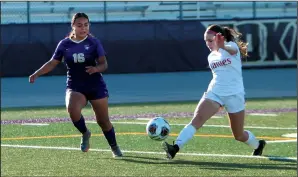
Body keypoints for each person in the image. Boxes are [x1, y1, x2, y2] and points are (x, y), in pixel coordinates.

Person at [162, 24, 266, 159]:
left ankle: (258, 145)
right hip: (215, 93)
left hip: (235, 95)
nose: (208, 44)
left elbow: (232, 51)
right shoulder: (211, 56)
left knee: (238, 135)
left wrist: (222, 46)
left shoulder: (231, 46)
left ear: (220, 37)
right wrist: (218, 47)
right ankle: (175, 148)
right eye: (206, 41)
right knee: (197, 119)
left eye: (210, 40)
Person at [29, 12, 123, 158]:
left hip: (95, 85)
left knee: (103, 121)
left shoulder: (94, 42)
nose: (83, 28)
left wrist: (96, 69)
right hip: (75, 85)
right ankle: (85, 132)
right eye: (79, 25)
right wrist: (37, 73)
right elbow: (52, 63)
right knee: (72, 109)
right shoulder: (64, 44)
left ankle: (114, 147)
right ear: (73, 26)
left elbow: (104, 64)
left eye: (86, 25)